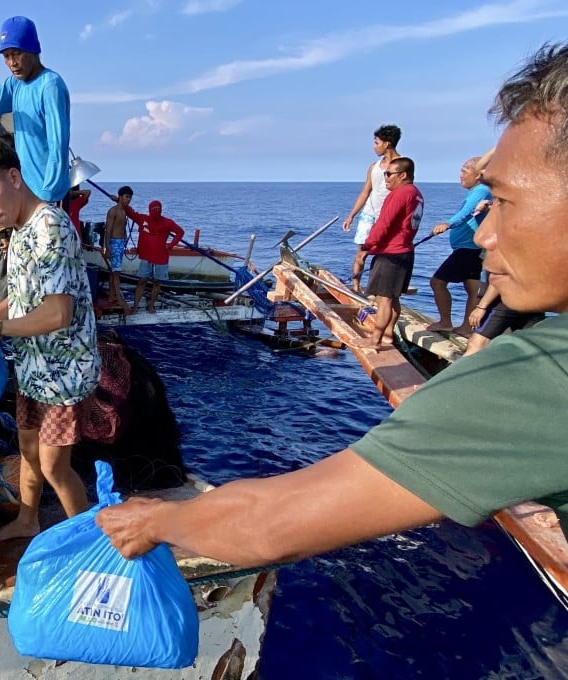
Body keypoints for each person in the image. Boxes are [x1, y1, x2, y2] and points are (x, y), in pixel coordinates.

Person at [97, 44, 568, 601]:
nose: (484, 233)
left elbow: (272, 524)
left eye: (505, 201)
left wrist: (153, 520)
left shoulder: (540, 380)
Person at [0, 135, 101, 543]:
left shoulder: (50, 227)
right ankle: (27, 520)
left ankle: (91, 542)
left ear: (14, 177)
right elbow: (21, 300)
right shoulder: (17, 231)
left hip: (64, 374)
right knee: (29, 452)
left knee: (55, 466)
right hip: (34, 368)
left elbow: (58, 313)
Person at [0, 16, 71, 205]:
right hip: (26, 192)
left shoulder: (50, 85)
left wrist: (48, 195)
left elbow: (58, 144)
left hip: (49, 195)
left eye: (16, 53)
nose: (12, 62)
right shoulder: (14, 84)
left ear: (34, 50)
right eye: (6, 56)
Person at [360, 157, 424, 348]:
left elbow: (383, 224)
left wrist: (367, 247)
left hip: (391, 254)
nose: (385, 178)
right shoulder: (416, 194)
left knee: (384, 299)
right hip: (405, 252)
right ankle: (388, 335)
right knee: (393, 297)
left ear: (403, 175)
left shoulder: (400, 194)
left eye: (389, 174)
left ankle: (376, 339)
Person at [425, 157, 492, 336]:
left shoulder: (481, 190)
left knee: (437, 282)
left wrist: (448, 224)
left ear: (478, 175)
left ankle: (446, 321)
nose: (460, 175)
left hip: (468, 248)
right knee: (472, 288)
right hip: (471, 248)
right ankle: (467, 328)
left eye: (464, 171)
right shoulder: (478, 191)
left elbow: (466, 212)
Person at [342, 125, 402, 292]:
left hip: (388, 216)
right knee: (360, 254)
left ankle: (378, 290)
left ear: (387, 144)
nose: (374, 146)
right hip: (369, 213)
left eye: (377, 143)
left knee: (384, 255)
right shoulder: (373, 167)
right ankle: (356, 287)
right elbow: (365, 192)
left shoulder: (402, 166)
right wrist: (351, 215)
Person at [125, 199, 185, 314]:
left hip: (161, 257)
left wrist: (171, 245)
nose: (157, 211)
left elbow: (180, 232)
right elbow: (130, 213)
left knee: (157, 282)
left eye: (159, 209)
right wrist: (120, 201)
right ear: (149, 210)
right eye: (154, 209)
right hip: (146, 257)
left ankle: (151, 305)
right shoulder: (143, 219)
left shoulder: (168, 222)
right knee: (142, 281)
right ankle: (136, 306)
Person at [102, 186, 133, 310]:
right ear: (120, 196)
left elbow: (132, 212)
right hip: (114, 243)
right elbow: (108, 231)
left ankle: (112, 295)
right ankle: (120, 299)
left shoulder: (124, 211)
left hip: (121, 243)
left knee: (113, 271)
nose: (128, 200)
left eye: (130, 197)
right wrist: (107, 248)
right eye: (126, 197)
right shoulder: (113, 211)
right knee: (116, 273)